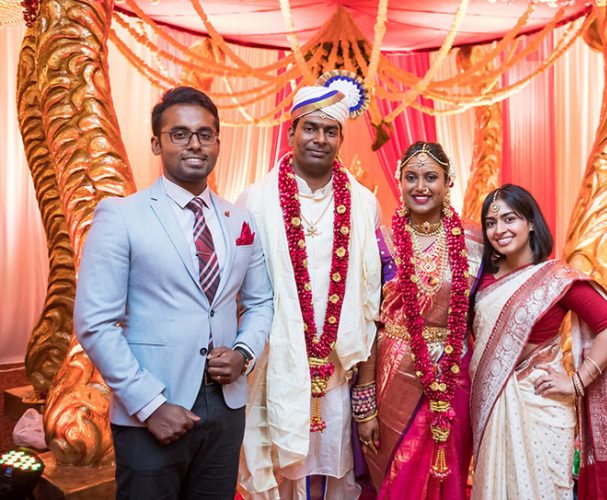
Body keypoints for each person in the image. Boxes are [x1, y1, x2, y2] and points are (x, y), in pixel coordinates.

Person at [74, 86, 274, 499]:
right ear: (156, 143)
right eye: (179, 134)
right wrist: (149, 405)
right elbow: (94, 322)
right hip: (153, 407)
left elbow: (259, 302)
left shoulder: (241, 220)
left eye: (205, 133)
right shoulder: (121, 216)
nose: (194, 144)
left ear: (217, 141)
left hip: (225, 406)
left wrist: (244, 354)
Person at [236, 71, 381, 499]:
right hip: (273, 361)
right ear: (291, 132)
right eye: (310, 127)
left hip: (337, 365)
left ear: (341, 138)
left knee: (335, 467)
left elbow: (371, 292)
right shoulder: (256, 200)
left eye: (330, 130)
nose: (320, 138)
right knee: (278, 465)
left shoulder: (363, 203)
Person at [469, 184, 607, 499]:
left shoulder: (556, 279)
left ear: (531, 222)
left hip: (540, 405)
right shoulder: (482, 278)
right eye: (491, 223)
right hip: (493, 404)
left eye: (510, 219)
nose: (499, 230)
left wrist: (578, 382)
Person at [355, 141, 481, 498]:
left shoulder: (474, 242)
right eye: (411, 177)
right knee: (398, 471)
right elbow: (366, 322)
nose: (420, 187)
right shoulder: (381, 242)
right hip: (393, 373)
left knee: (449, 470)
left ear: (447, 183)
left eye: (431, 177)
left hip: (454, 373)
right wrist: (364, 406)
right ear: (400, 181)